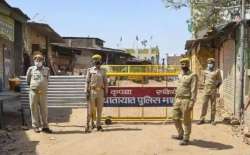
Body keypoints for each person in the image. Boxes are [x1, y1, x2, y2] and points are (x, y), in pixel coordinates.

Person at [172, 58, 198, 145]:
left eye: (185, 64)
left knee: (186, 120)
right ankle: (180, 134)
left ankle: (186, 138)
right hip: (178, 99)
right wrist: (175, 98)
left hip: (186, 100)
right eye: (182, 64)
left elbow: (194, 90)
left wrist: (192, 101)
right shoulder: (180, 75)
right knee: (175, 118)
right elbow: (178, 88)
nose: (184, 66)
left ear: (188, 64)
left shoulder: (193, 75)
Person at [26, 53, 52, 133]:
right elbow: (28, 80)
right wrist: (34, 86)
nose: (38, 62)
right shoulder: (31, 69)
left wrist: (42, 86)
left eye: (40, 60)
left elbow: (47, 79)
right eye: (36, 60)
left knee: (44, 110)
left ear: (42, 61)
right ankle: (35, 126)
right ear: (34, 61)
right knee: (34, 109)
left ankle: (45, 126)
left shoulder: (46, 70)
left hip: (43, 93)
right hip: (33, 92)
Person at [85, 54, 108, 132]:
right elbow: (87, 82)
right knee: (90, 110)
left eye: (98, 61)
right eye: (96, 61)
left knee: (99, 110)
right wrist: (86, 92)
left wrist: (106, 92)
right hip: (92, 91)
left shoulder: (103, 71)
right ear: (93, 62)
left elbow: (105, 82)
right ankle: (88, 125)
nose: (97, 63)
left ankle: (98, 125)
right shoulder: (90, 70)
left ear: (100, 61)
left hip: (101, 92)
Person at [197, 58, 222, 125]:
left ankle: (212, 120)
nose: (210, 64)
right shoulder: (204, 71)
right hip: (206, 90)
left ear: (213, 64)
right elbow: (202, 81)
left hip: (213, 90)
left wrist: (216, 87)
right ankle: (202, 119)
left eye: (211, 63)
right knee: (204, 105)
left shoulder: (217, 71)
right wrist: (202, 86)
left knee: (213, 106)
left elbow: (220, 81)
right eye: (209, 63)